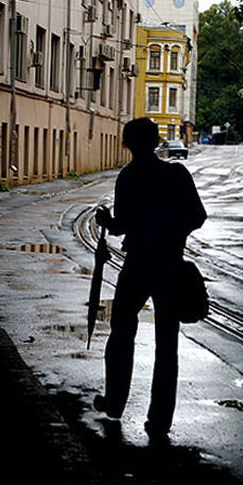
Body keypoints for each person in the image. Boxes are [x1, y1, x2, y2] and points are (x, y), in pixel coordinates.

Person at [94, 118, 207, 438]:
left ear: (127, 144)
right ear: (157, 142)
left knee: (121, 334)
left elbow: (121, 226)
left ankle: (115, 402)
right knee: (166, 344)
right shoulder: (176, 175)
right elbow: (198, 216)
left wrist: (107, 220)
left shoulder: (129, 176)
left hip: (138, 264)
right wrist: (173, 234)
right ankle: (160, 419)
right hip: (170, 263)